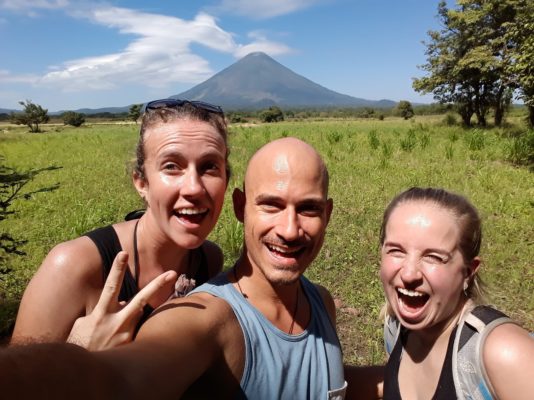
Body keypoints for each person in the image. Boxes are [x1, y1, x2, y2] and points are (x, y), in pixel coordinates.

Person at [1, 137, 386, 399]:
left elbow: (328, 381)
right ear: (239, 207)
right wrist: (81, 359)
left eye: (309, 208)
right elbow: (118, 380)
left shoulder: (320, 302)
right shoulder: (206, 318)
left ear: (328, 214)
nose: (289, 229)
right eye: (270, 205)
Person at [11, 99, 229, 349]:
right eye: (171, 166)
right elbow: (14, 387)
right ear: (141, 183)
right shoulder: (72, 266)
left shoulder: (209, 260)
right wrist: (80, 352)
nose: (194, 188)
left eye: (209, 167)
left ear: (226, 180)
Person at [379, 187, 534, 400]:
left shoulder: (503, 352)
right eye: (396, 250)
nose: (409, 273)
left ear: (468, 272)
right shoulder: (396, 329)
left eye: (433, 257)